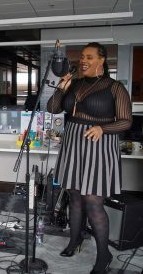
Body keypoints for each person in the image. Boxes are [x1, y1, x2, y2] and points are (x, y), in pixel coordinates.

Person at [47, 42, 132, 274]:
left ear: (102, 60)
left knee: (93, 202)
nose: (84, 60)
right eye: (82, 56)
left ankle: (104, 255)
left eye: (90, 57)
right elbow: (52, 108)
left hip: (99, 146)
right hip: (73, 144)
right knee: (74, 197)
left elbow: (126, 121)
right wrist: (61, 88)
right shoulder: (73, 83)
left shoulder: (114, 88)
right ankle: (75, 240)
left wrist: (103, 129)